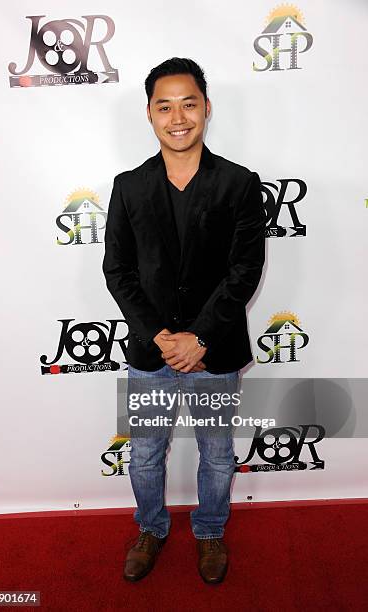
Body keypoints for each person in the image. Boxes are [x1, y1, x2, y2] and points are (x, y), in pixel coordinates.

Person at [102, 57, 266, 584]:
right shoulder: (128, 186)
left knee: (217, 455)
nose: (178, 116)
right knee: (146, 453)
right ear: (149, 114)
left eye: (188, 103)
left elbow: (246, 269)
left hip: (214, 352)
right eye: (164, 105)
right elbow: (118, 269)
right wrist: (160, 335)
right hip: (151, 354)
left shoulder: (239, 184)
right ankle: (150, 527)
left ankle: (210, 531)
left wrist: (200, 337)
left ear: (206, 108)